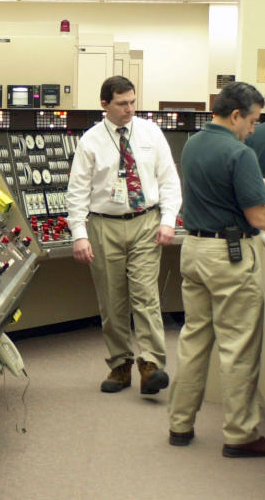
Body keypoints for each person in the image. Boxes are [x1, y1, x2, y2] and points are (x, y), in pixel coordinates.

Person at [167, 82, 265, 457]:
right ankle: (240, 435)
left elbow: (243, 185)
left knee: (194, 339)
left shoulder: (195, 144)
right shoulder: (239, 152)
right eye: (252, 121)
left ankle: (180, 424)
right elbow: (258, 214)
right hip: (229, 257)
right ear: (236, 115)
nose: (254, 129)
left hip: (193, 251)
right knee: (238, 347)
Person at [66, 76, 181, 395]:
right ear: (105, 104)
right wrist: (79, 233)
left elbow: (169, 180)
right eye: (122, 103)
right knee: (112, 299)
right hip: (104, 225)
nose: (130, 108)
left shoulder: (150, 132)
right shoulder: (90, 141)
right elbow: (76, 191)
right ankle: (120, 365)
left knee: (146, 295)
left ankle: (151, 365)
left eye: (132, 101)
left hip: (146, 220)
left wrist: (168, 219)